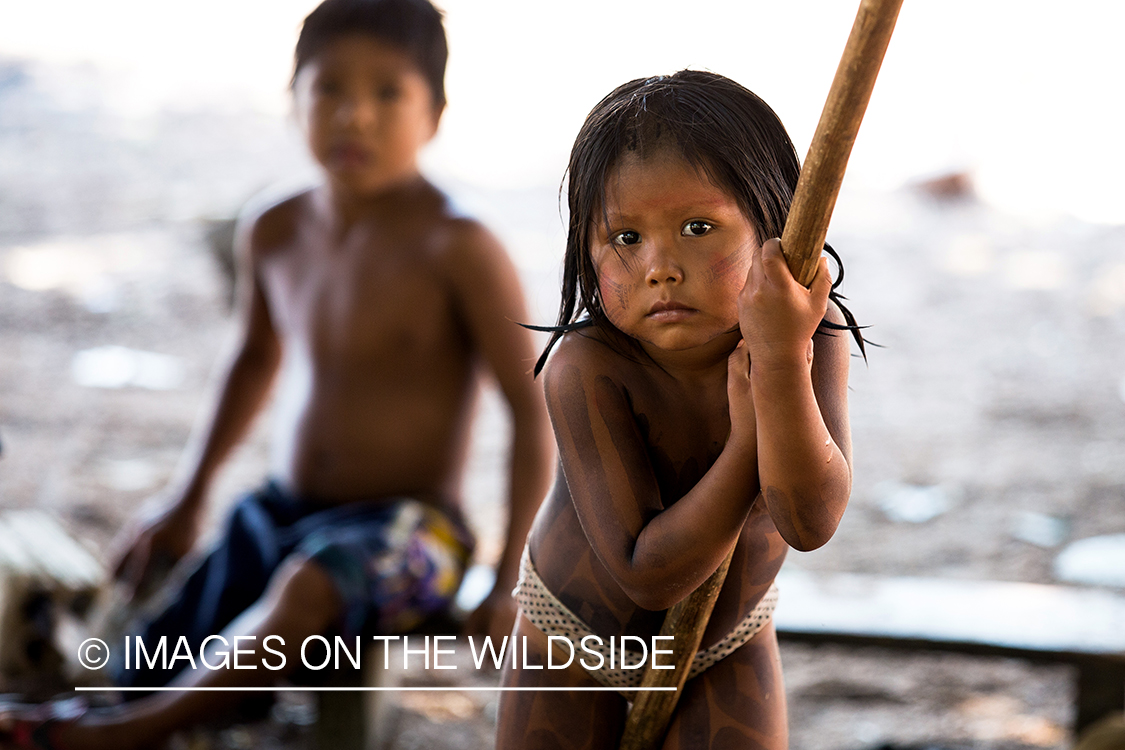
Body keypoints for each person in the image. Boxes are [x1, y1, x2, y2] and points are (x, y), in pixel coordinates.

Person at [0, 0, 553, 747]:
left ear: (436, 112)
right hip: (280, 511)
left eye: (387, 92)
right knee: (144, 657)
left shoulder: (459, 245)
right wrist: (189, 495)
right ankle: (159, 708)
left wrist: (511, 573)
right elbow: (252, 360)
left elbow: (530, 408)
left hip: (414, 534)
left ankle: (119, 736)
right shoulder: (276, 227)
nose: (354, 115)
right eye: (329, 89)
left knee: (307, 586)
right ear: (293, 100)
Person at [495, 71, 864, 749]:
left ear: (774, 227)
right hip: (574, 647)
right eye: (625, 238)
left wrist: (780, 363)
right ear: (584, 247)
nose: (659, 266)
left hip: (725, 646)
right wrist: (747, 438)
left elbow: (809, 521)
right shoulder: (589, 368)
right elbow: (648, 574)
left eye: (698, 228)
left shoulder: (811, 336)